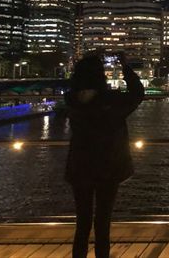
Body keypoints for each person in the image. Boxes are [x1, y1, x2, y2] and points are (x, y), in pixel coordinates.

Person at [65, 53, 144, 258]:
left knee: (82, 223)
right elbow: (137, 94)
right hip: (108, 167)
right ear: (101, 76)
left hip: (80, 166)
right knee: (102, 222)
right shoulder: (111, 101)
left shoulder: (72, 100)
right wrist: (125, 66)